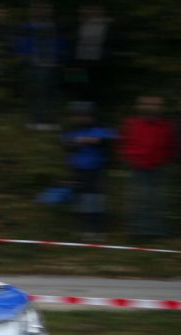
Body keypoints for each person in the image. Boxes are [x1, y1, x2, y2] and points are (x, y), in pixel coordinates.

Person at [119, 96, 177, 239]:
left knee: (156, 200)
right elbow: (125, 143)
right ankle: (136, 231)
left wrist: (164, 160)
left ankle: (155, 230)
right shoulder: (132, 123)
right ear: (140, 106)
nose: (151, 107)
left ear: (160, 107)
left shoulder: (166, 126)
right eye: (147, 104)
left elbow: (170, 146)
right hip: (138, 167)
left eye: (156, 105)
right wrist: (131, 158)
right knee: (137, 199)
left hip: (157, 168)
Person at [61, 102, 116, 241]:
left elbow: (108, 138)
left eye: (83, 115)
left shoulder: (100, 128)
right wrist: (75, 143)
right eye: (77, 116)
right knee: (83, 200)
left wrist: (87, 140)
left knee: (96, 200)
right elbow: (66, 144)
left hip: (96, 171)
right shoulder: (72, 130)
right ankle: (86, 229)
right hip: (78, 170)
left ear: (91, 116)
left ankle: (99, 230)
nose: (80, 118)